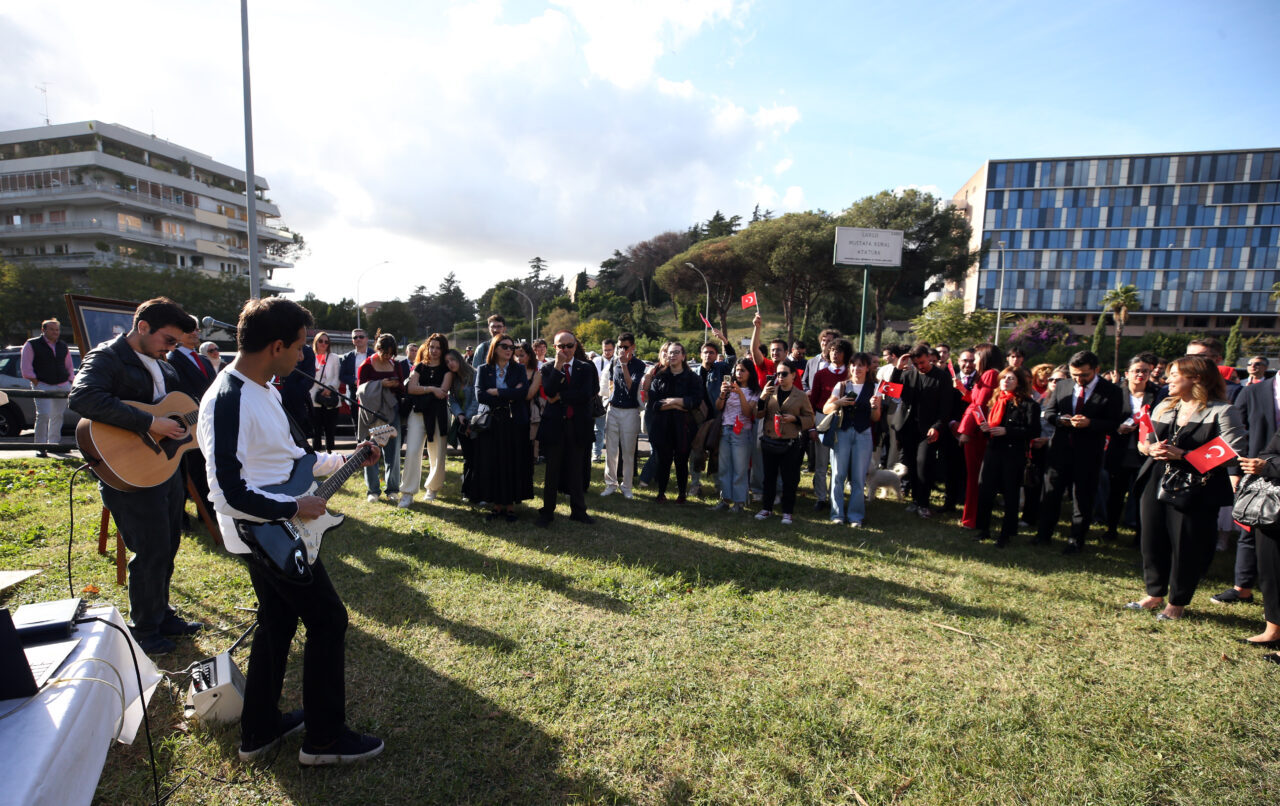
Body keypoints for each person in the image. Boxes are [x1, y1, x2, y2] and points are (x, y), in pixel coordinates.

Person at [198, 296, 384, 765]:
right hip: (265, 536)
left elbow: (292, 459)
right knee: (328, 619)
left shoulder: (264, 388)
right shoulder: (228, 399)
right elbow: (226, 492)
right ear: (276, 346)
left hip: (277, 527)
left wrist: (347, 459)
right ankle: (324, 741)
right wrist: (294, 506)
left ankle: (258, 730)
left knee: (277, 622)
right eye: (300, 346)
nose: (304, 355)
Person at [68, 297, 203, 655]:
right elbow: (83, 398)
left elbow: (177, 410)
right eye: (168, 340)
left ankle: (162, 615)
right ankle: (145, 629)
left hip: (165, 467)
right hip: (128, 470)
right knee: (151, 548)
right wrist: (150, 422)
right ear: (142, 327)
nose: (171, 348)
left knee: (169, 543)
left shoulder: (165, 365)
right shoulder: (107, 357)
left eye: (176, 342)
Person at [1126, 356, 1245, 621]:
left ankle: (1177, 602)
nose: (1167, 379)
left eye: (1174, 374)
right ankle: (1154, 594)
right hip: (1156, 478)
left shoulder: (1223, 411)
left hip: (1196, 486)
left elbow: (1233, 452)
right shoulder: (1164, 406)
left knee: (1186, 544)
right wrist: (1150, 449)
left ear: (1196, 378)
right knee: (1151, 539)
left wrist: (1184, 455)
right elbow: (1143, 442)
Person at [1034, 350, 1123, 554]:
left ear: (1096, 369)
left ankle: (1076, 540)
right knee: (1051, 494)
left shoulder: (1112, 391)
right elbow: (1049, 412)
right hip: (1060, 449)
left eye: (1084, 375)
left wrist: (1090, 423)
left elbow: (1113, 423)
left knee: (1083, 497)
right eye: (1075, 375)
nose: (1079, 379)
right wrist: (1060, 420)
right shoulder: (1063, 385)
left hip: (1089, 453)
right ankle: (1043, 534)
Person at [972, 367, 1041, 547]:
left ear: (1019, 382)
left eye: (1011, 378)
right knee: (985, 490)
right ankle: (983, 529)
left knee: (1010, 494)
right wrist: (986, 429)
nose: (1006, 381)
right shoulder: (996, 400)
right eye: (1004, 378)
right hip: (993, 450)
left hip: (1013, 454)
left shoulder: (1029, 404)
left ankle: (1006, 533)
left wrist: (1007, 431)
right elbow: (993, 426)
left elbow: (1033, 430)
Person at [536, 331, 599, 527]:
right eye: (560, 346)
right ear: (554, 348)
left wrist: (561, 397)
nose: (565, 350)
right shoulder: (548, 368)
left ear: (575, 346)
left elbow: (586, 394)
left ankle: (578, 511)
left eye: (569, 345)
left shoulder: (586, 368)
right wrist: (557, 366)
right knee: (552, 471)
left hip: (578, 424)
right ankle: (547, 512)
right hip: (555, 425)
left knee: (576, 470)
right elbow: (549, 391)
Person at [890, 343, 955, 519]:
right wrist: (898, 369)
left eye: (923, 362)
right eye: (916, 364)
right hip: (908, 427)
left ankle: (924, 503)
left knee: (923, 464)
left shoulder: (942, 377)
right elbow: (891, 392)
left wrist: (937, 426)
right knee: (911, 464)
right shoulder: (907, 374)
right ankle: (915, 500)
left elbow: (946, 406)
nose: (920, 366)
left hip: (929, 429)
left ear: (929, 358)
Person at [474, 334, 533, 521]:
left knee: (512, 462)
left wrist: (498, 391)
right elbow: (480, 396)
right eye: (504, 346)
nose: (509, 350)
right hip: (493, 422)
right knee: (494, 462)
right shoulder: (484, 369)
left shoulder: (519, 368)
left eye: (511, 347)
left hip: (514, 421)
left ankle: (510, 506)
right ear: (495, 348)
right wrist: (510, 393)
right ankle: (496, 504)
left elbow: (523, 393)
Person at [1103, 353, 1159, 543]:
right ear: (1127, 373)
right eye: (1136, 371)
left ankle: (1140, 535)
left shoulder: (1157, 394)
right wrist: (1117, 427)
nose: (1140, 375)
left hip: (1145, 452)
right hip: (1120, 449)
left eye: (1145, 371)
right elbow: (1105, 419)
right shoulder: (1115, 393)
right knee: (1116, 493)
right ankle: (1111, 529)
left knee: (1142, 495)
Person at [167, 326, 218, 528]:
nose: (195, 333)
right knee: (192, 468)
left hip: (206, 419)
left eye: (196, 329)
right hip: (189, 421)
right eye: (189, 330)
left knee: (205, 466)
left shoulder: (203, 360)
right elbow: (178, 390)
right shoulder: (172, 359)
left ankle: (207, 511)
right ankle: (187, 515)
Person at [823, 351, 881, 527]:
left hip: (863, 434)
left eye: (861, 365)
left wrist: (875, 407)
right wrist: (839, 402)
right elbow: (826, 409)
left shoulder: (875, 387)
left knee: (858, 478)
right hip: (842, 433)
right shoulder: (841, 386)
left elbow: (876, 417)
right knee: (838, 475)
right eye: (853, 365)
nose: (857, 369)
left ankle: (855, 516)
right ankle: (837, 514)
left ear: (867, 368)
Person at [755, 363, 815, 525]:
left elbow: (810, 419)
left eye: (784, 374)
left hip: (790, 442)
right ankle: (766, 508)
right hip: (770, 440)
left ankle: (787, 512)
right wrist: (762, 398)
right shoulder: (770, 391)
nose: (780, 377)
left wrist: (795, 419)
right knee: (769, 477)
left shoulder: (800, 395)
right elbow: (758, 414)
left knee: (789, 479)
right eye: (778, 374)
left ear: (793, 375)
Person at [1238, 434, 1280, 660]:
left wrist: (1270, 467)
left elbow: (1270, 461)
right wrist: (1263, 464)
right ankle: (1273, 630)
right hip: (1274, 509)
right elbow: (1268, 452)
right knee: (1270, 568)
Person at [401, 334, 453, 507]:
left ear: (443, 350)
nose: (434, 351)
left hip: (438, 414)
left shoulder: (447, 370)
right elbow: (411, 388)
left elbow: (442, 392)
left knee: (437, 452)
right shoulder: (420, 366)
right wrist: (431, 389)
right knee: (412, 451)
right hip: (418, 413)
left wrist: (424, 389)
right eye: (432, 347)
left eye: (438, 348)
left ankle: (432, 487)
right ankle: (407, 492)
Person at [956, 343, 1003, 529]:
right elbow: (977, 400)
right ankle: (973, 517)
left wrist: (966, 431)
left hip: (977, 434)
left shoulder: (989, 374)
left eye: (975, 357)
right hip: (978, 430)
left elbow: (980, 405)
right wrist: (963, 390)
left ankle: (972, 518)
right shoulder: (988, 374)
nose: (973, 361)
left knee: (975, 477)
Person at [649, 342, 703, 502]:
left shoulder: (693, 378)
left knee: (681, 460)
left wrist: (673, 401)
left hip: (684, 426)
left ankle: (681, 494)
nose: (672, 355)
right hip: (662, 425)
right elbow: (654, 404)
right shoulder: (660, 377)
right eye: (670, 352)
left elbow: (695, 402)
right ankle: (661, 493)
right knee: (663, 460)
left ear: (683, 356)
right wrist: (678, 404)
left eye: (676, 352)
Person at [356, 332, 404, 503]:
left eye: (391, 353)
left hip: (392, 412)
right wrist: (380, 384)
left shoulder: (395, 364)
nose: (388, 356)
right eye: (386, 353)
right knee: (371, 451)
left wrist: (395, 384)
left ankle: (392, 489)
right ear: (378, 348)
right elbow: (360, 391)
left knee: (393, 452)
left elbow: (402, 388)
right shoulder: (366, 365)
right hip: (373, 414)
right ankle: (373, 490)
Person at [809, 338, 852, 511]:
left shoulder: (850, 374)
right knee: (821, 462)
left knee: (839, 463)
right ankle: (821, 497)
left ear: (846, 354)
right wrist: (812, 426)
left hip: (843, 420)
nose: (835, 354)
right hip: (822, 418)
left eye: (839, 351)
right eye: (832, 350)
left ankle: (836, 497)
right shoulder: (820, 374)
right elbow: (812, 401)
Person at [711, 358, 759, 513]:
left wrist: (740, 394)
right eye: (737, 370)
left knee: (740, 469)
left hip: (742, 432)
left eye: (743, 370)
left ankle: (739, 502)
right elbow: (719, 407)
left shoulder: (754, 391)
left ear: (750, 373)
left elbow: (748, 412)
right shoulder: (729, 387)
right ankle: (725, 499)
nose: (739, 373)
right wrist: (722, 393)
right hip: (725, 429)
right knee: (724, 467)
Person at [601, 333, 645, 499]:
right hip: (613, 409)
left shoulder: (639, 365)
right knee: (611, 451)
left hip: (630, 411)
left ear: (633, 347)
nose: (621, 350)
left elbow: (632, 387)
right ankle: (610, 484)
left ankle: (627, 486)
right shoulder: (614, 362)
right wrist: (607, 400)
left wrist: (625, 365)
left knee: (628, 451)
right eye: (619, 346)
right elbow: (611, 382)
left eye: (625, 347)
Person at [21, 317, 73, 455]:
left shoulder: (62, 345)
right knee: (43, 415)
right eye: (52, 329)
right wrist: (36, 382)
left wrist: (70, 381)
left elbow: (69, 365)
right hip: (43, 384)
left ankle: (54, 444)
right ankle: (40, 446)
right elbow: (26, 367)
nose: (55, 332)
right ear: (43, 330)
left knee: (58, 415)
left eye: (57, 330)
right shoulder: (32, 344)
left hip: (62, 384)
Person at [443, 349, 478, 501]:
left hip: (476, 421)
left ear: (459, 359)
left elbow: (477, 399)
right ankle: (467, 491)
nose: (450, 364)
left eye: (452, 359)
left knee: (477, 458)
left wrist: (468, 418)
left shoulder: (475, 374)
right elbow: (452, 399)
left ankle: (477, 492)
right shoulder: (454, 379)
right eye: (447, 362)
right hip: (461, 422)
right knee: (468, 457)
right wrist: (460, 415)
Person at [309, 332, 342, 453]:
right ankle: (316, 454)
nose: (323, 344)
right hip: (314, 396)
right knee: (316, 429)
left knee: (330, 429)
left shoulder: (334, 357)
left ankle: (330, 453)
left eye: (326, 342)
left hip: (330, 395)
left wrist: (330, 388)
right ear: (316, 342)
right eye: (320, 341)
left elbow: (337, 377)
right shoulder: (310, 356)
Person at [590, 338, 616, 463]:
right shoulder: (596, 361)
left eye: (609, 350)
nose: (607, 352)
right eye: (605, 350)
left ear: (614, 349)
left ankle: (613, 455)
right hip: (599, 397)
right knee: (598, 428)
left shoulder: (619, 361)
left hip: (615, 398)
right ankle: (596, 454)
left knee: (613, 429)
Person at [338, 328, 374, 401]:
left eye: (361, 337)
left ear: (366, 339)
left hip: (371, 392)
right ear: (352, 340)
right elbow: (342, 376)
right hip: (353, 394)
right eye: (355, 337)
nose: (358, 339)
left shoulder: (374, 355)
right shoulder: (347, 357)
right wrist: (354, 381)